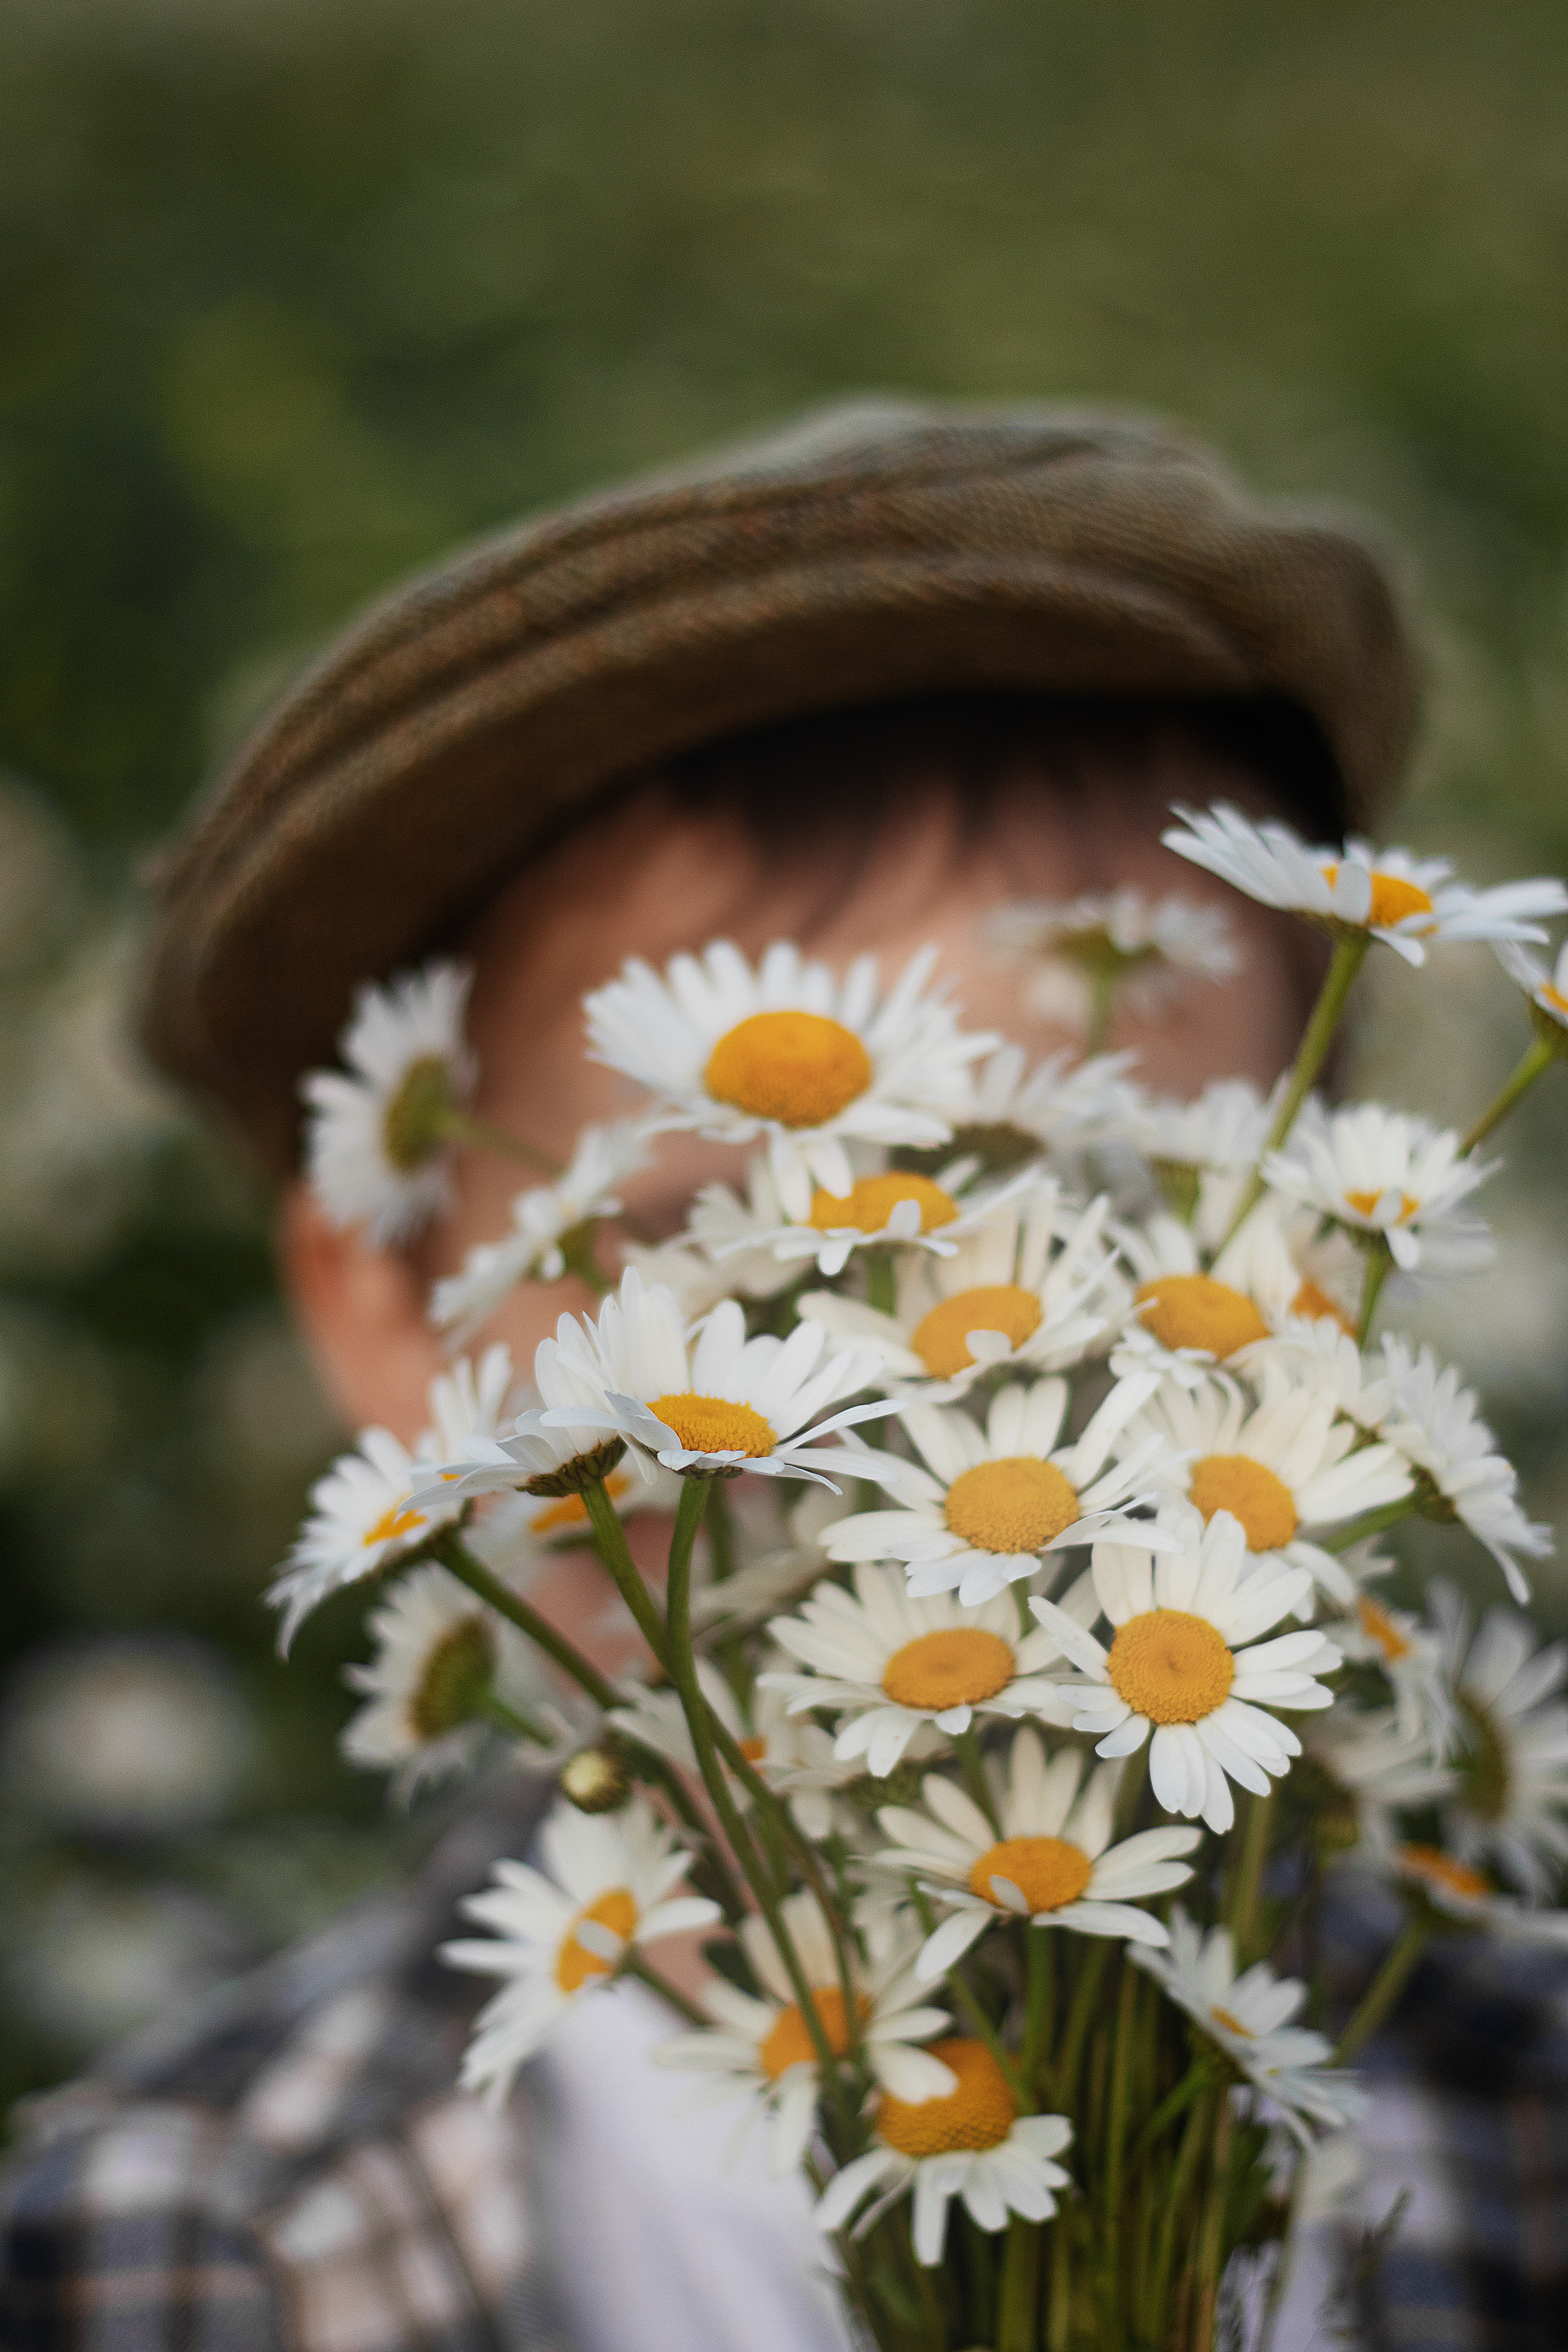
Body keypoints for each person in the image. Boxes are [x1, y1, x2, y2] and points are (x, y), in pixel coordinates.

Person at [3, 400, 1562, 2351]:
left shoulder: (1536, 2150)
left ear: (1320, 1271)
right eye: (709, 1246)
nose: (901, 1395)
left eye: (1090, 1217)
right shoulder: (136, 2271)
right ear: (398, 1319)